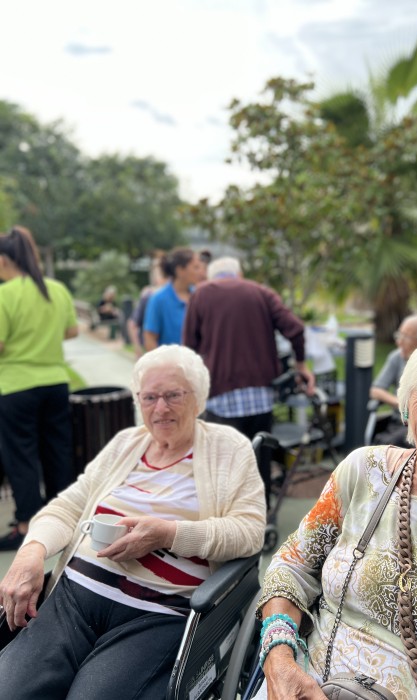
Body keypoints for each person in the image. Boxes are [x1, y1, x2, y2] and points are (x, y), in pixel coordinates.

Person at [254, 333, 417, 699]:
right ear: (406, 404)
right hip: (311, 684)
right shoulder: (365, 471)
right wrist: (279, 657)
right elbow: (292, 566)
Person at [0, 344, 266, 699]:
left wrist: (168, 534)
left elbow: (249, 532)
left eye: (173, 395)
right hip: (75, 598)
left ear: (198, 398)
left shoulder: (229, 448)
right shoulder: (126, 443)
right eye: (149, 397)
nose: (160, 408)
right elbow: (68, 507)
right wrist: (31, 552)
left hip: (157, 610)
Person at [183, 256, 315, 505]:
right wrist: (301, 365)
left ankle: (227, 517)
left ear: (212, 277)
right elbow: (296, 328)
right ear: (239, 274)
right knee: (259, 459)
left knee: (223, 465)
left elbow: (189, 347)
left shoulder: (201, 294)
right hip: (261, 397)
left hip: (221, 395)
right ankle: (261, 515)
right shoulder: (261, 293)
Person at [0, 226, 78, 550]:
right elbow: (72, 331)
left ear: (4, 260)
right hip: (56, 383)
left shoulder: (5, 294)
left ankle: (26, 525)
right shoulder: (56, 289)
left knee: (22, 458)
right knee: (57, 453)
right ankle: (63, 521)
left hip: (16, 385)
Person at [370, 314, 417, 447]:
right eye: (399, 335)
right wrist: (400, 403)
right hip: (401, 422)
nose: (399, 342)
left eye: (405, 337)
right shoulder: (397, 357)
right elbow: (375, 390)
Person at [143, 247, 202, 350]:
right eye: (195, 267)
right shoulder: (158, 299)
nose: (200, 272)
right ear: (180, 270)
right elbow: (150, 339)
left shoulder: (199, 297)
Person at [127, 252, 169, 358]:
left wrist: (137, 349)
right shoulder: (149, 295)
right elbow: (132, 324)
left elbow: (132, 324)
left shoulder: (148, 294)